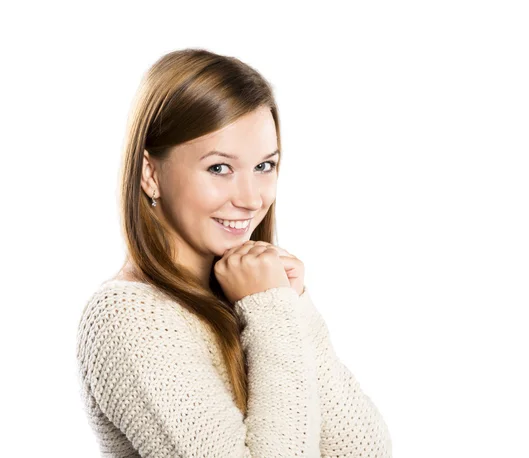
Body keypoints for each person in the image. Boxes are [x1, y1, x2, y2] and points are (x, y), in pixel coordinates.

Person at [75, 47, 393, 457]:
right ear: (151, 174)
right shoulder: (127, 316)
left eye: (265, 166)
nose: (250, 199)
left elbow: (364, 452)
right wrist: (272, 309)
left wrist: (294, 307)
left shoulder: (250, 295)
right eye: (219, 168)